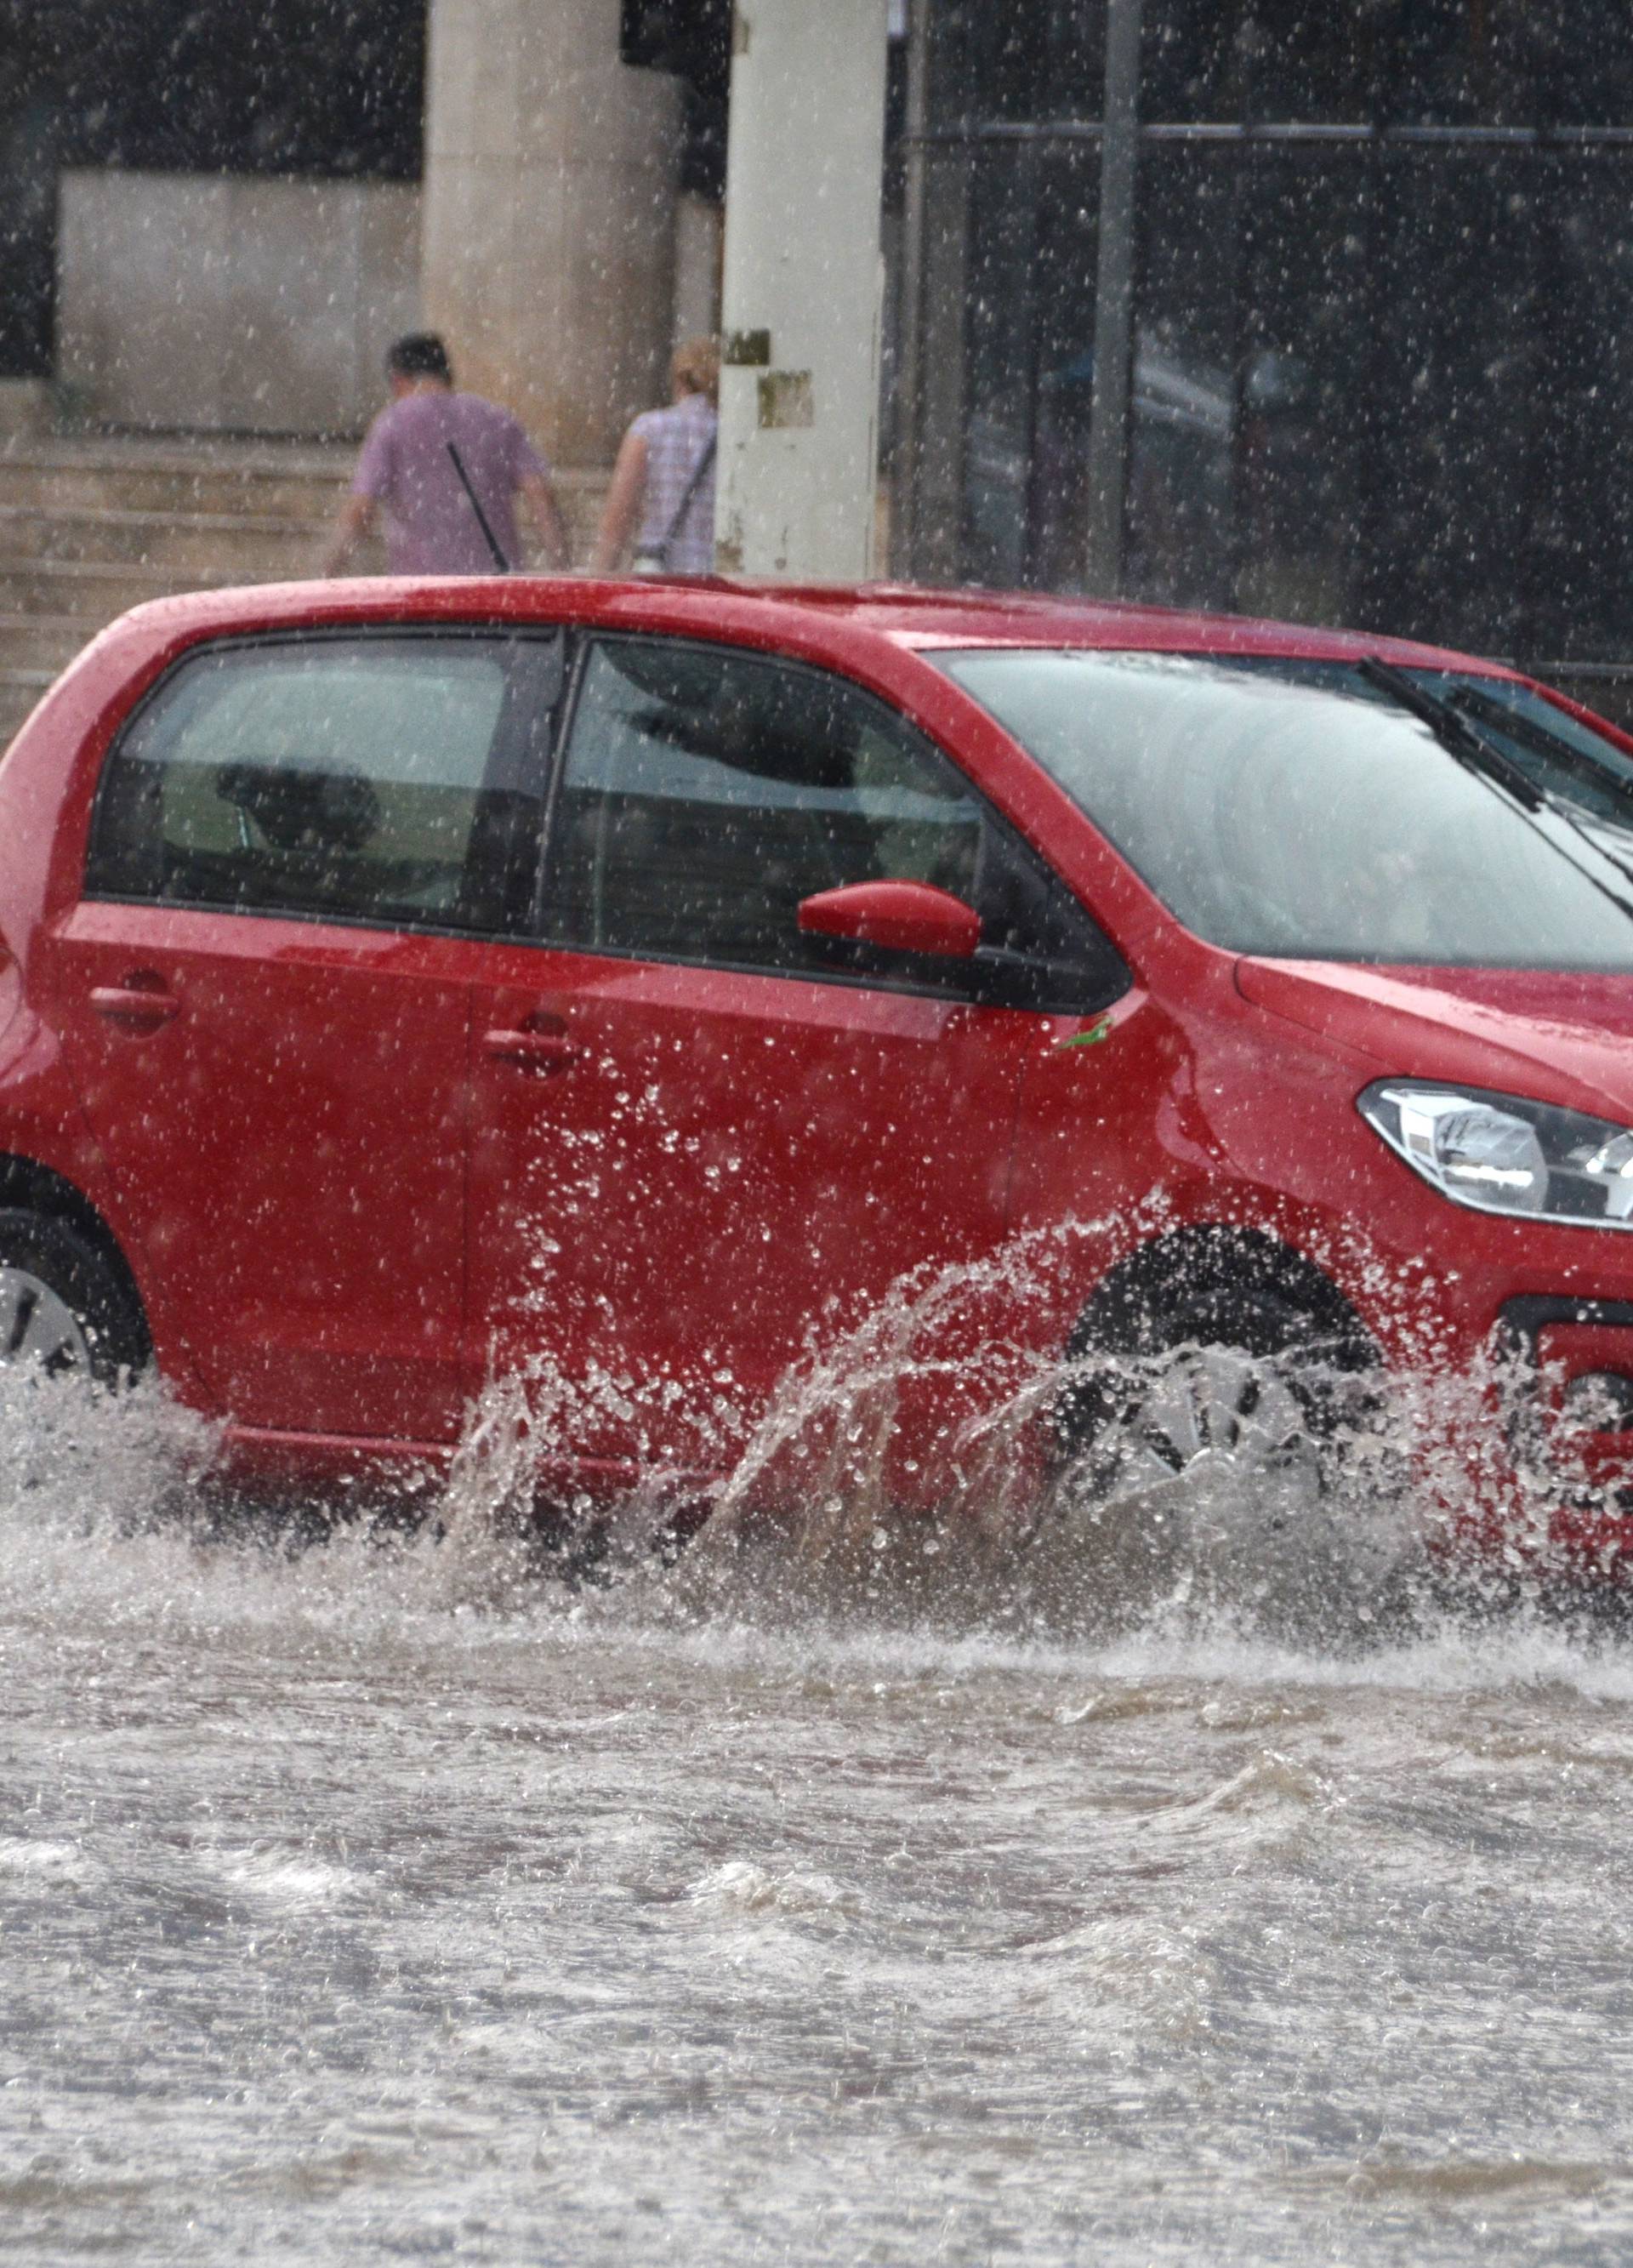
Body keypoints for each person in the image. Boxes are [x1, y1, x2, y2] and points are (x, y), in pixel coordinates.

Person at [323, 332, 570, 576]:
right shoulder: (497, 418)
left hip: (422, 591)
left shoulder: (393, 424)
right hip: (496, 589)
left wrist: (328, 572)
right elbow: (540, 494)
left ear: (397, 381)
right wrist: (561, 568)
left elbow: (361, 509)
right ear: (448, 374)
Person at [590, 337, 719, 576]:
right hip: (717, 578)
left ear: (680, 381)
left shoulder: (648, 428)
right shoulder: (733, 434)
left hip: (660, 574)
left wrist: (598, 576)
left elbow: (618, 516)